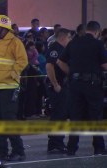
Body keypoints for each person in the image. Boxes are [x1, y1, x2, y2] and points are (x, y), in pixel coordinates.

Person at [57, 21, 107, 156]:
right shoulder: (98, 44)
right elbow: (104, 64)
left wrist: (72, 73)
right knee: (95, 117)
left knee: (75, 117)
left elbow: (60, 62)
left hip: (75, 85)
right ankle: (99, 148)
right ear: (97, 32)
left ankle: (71, 148)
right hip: (92, 85)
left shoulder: (73, 42)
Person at [0, 15, 28, 161]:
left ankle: (19, 151)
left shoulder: (15, 42)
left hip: (8, 87)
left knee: (9, 120)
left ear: (3, 29)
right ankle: (1, 151)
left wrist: (13, 73)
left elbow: (23, 60)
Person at [46, 28, 72, 153]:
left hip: (63, 86)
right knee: (59, 115)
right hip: (58, 87)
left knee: (60, 115)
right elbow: (49, 66)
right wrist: (55, 84)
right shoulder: (55, 48)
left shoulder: (62, 49)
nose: (70, 40)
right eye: (69, 37)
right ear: (63, 38)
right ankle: (56, 142)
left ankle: (55, 142)